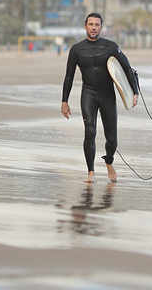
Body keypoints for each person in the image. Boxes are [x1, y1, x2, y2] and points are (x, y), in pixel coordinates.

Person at [61, 12, 138, 184]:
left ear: (101, 27)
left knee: (112, 139)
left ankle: (109, 161)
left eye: (97, 25)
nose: (93, 27)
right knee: (90, 132)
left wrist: (134, 92)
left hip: (107, 95)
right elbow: (69, 76)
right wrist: (64, 101)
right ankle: (91, 172)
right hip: (88, 93)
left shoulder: (110, 46)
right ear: (85, 27)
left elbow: (127, 68)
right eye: (91, 24)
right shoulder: (76, 49)